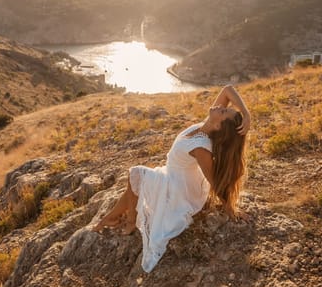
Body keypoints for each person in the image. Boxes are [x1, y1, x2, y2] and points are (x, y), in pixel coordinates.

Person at [93, 85, 251, 272]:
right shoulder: (208, 124)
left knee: (136, 174)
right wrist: (247, 115)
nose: (220, 106)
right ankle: (114, 219)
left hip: (178, 189)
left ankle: (125, 220)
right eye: (225, 107)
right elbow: (227, 90)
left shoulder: (201, 147)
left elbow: (214, 182)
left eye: (224, 110)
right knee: (135, 183)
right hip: (171, 174)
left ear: (218, 125)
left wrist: (229, 206)